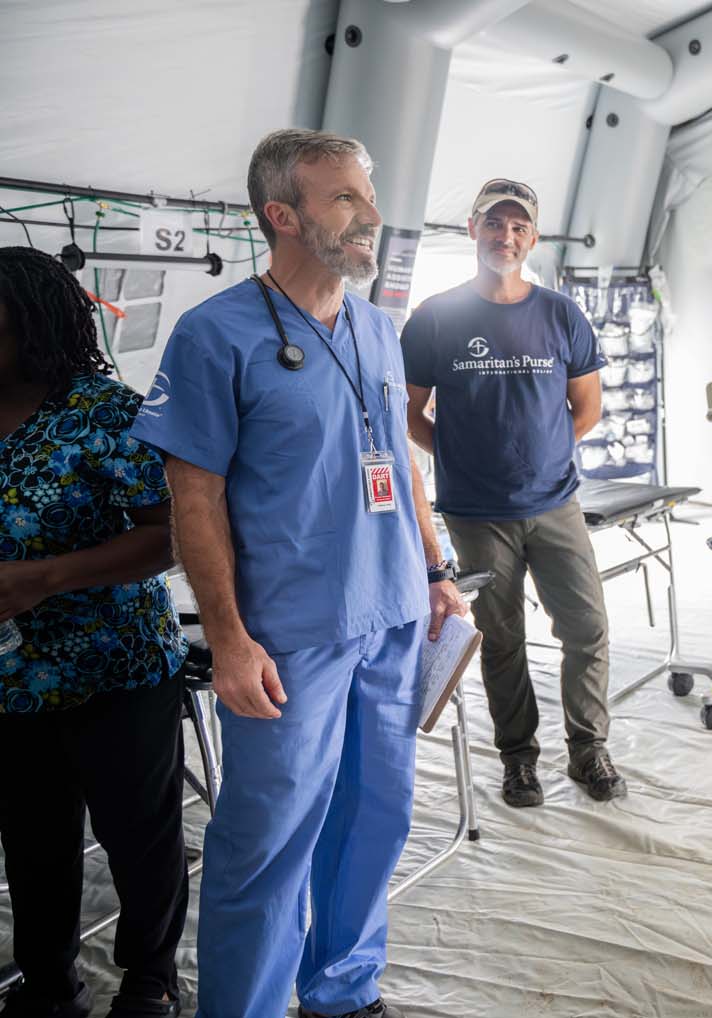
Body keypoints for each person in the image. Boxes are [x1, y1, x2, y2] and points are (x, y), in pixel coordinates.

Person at [130, 129, 466, 1018]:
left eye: (366, 193)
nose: (372, 216)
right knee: (268, 841)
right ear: (282, 215)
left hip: (392, 618)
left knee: (373, 820)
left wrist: (434, 571)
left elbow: (399, 458)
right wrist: (231, 641)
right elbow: (192, 502)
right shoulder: (216, 335)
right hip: (289, 640)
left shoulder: (378, 329)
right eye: (346, 198)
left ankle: (343, 990)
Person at [0, 248, 188, 1018]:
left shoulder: (105, 414)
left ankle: (150, 981)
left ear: (32, 324)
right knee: (34, 844)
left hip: (116, 670)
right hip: (13, 682)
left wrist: (42, 577)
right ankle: (48, 988)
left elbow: (173, 535)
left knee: (137, 841)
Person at [401, 177, 623, 806]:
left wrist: (542, 455)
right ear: (473, 230)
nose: (506, 235)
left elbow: (586, 408)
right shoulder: (436, 317)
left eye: (519, 226)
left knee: (587, 627)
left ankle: (588, 748)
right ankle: (518, 757)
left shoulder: (559, 314)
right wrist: (456, 455)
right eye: (494, 224)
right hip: (475, 514)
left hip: (555, 504)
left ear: (533, 236)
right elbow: (409, 413)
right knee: (501, 639)